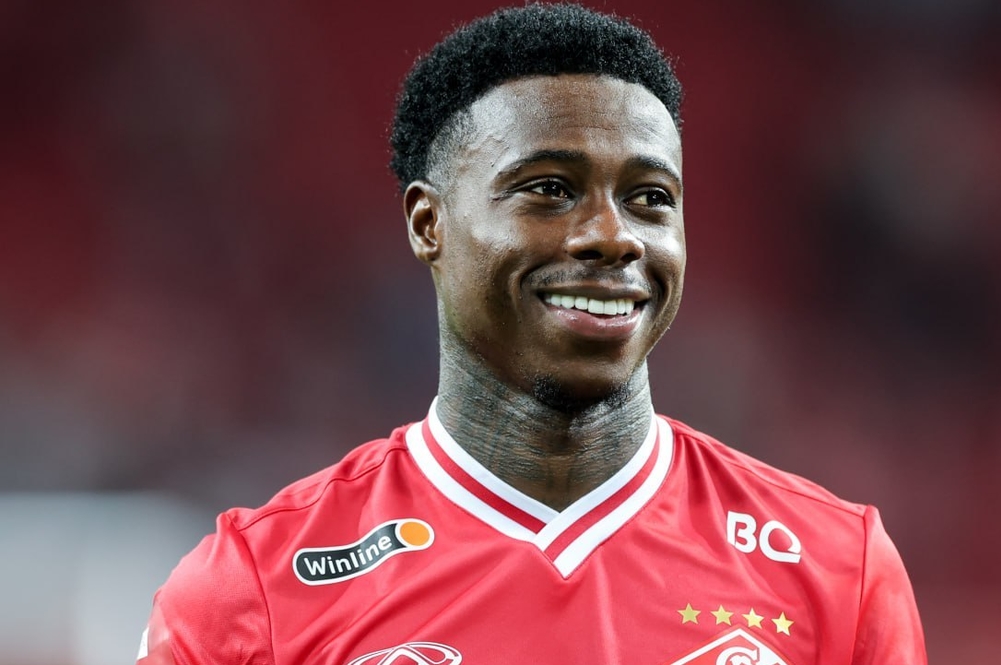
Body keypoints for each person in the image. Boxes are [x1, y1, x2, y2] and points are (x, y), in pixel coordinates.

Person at [137, 4, 926, 664]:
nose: (612, 236)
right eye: (550, 189)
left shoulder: (835, 569)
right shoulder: (256, 590)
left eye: (650, 198)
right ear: (429, 223)